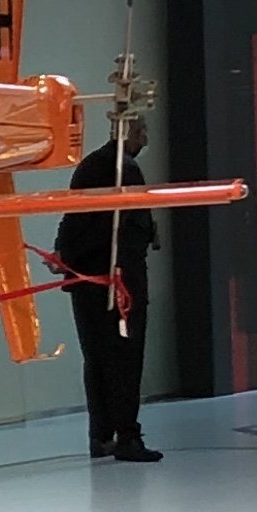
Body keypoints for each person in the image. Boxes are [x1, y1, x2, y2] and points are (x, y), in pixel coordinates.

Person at [55, 94, 160, 463]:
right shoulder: (122, 171)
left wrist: (67, 257)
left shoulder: (91, 166)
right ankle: (126, 436)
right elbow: (120, 231)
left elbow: (72, 220)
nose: (146, 139)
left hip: (88, 281)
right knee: (124, 360)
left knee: (98, 361)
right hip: (116, 285)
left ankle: (101, 436)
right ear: (129, 131)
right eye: (142, 131)